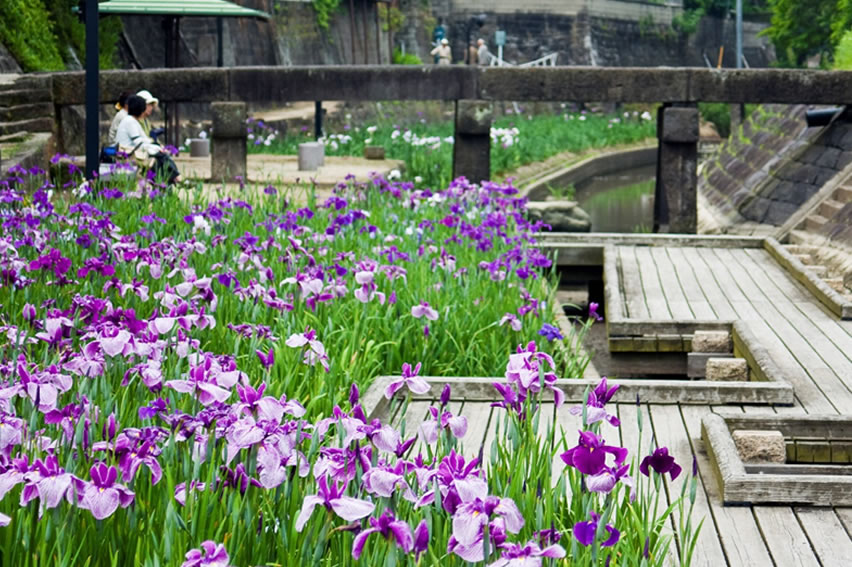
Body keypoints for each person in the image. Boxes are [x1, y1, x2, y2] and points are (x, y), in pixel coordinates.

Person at [115, 95, 181, 185]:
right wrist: (156, 149)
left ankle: (170, 181)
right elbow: (139, 142)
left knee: (160, 158)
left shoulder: (133, 121)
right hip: (129, 155)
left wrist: (156, 146)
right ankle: (175, 178)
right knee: (161, 158)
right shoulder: (130, 122)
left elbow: (144, 139)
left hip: (133, 152)